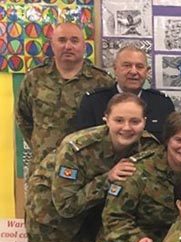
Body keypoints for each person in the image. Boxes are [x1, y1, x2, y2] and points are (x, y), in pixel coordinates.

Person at [25, 93, 160, 242]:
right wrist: (107, 179)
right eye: (119, 120)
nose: (127, 127)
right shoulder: (77, 147)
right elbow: (66, 206)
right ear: (106, 119)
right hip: (53, 221)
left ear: (144, 122)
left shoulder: (149, 147)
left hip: (97, 219)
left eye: (135, 121)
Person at [16, 22, 114, 177]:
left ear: (84, 45)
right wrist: (42, 145)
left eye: (74, 41)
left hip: (85, 170)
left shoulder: (102, 81)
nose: (68, 46)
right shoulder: (34, 78)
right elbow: (23, 118)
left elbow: (111, 124)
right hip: (42, 168)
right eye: (62, 40)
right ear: (52, 45)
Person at [101, 110, 181, 242]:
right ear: (167, 140)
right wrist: (138, 240)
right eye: (179, 140)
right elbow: (114, 218)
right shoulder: (136, 170)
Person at [75, 45, 175, 138]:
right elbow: (83, 143)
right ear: (115, 69)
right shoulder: (93, 102)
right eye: (127, 65)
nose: (133, 72)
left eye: (139, 67)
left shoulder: (162, 104)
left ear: (147, 71)